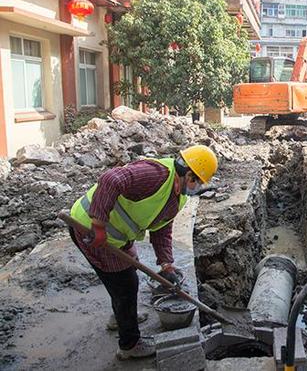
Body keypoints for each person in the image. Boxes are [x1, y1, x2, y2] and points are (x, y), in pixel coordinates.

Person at [68, 145, 218, 360]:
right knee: (126, 284)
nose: (198, 187)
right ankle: (129, 345)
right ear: (189, 175)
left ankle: (120, 317)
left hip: (117, 235)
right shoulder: (155, 175)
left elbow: (162, 229)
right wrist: (98, 224)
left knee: (128, 270)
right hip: (88, 228)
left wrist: (166, 263)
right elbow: (111, 179)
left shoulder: (178, 196)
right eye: (199, 182)